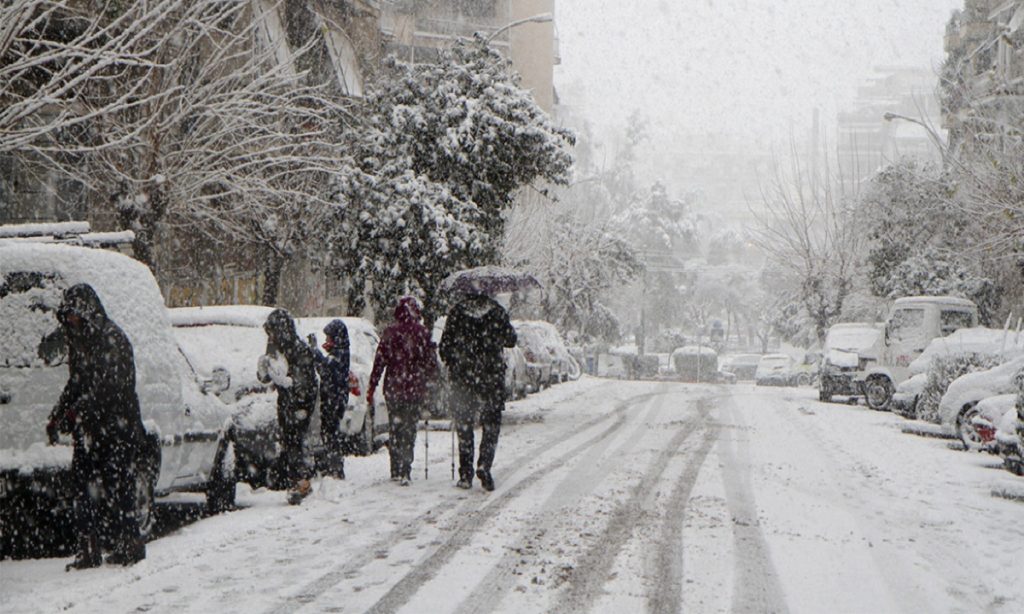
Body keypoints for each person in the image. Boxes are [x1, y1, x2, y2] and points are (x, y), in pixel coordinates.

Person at [46, 283, 148, 569]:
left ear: (88, 312)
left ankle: (130, 543)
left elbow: (112, 387)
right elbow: (77, 381)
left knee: (119, 485)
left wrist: (78, 410)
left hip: (118, 424)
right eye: (68, 316)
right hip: (89, 427)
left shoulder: (112, 339)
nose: (71, 321)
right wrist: (59, 412)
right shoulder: (80, 341)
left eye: (75, 315)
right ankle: (88, 549)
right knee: (83, 486)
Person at [439, 292, 516, 491]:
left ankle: (465, 473)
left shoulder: (457, 312)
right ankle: (484, 464)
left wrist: (455, 360)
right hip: (491, 376)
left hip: (463, 378)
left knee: (464, 425)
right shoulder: (497, 312)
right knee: (491, 424)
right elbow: (511, 339)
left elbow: (444, 347)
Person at [366, 297, 438, 486]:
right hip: (414, 388)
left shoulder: (390, 333)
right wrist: (431, 382)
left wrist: (372, 385)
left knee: (395, 427)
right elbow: (431, 363)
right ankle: (406, 466)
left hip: (394, 388)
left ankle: (395, 466)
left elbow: (379, 361)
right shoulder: (422, 333)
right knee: (409, 428)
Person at [258, 308, 317, 505]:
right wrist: (265, 372)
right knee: (289, 441)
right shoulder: (278, 350)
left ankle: (300, 482)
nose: (271, 337)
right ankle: (296, 480)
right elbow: (270, 375)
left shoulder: (299, 350)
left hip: (299, 404)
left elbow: (304, 381)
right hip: (286, 403)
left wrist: (289, 384)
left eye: (273, 332)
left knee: (294, 442)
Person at [309, 319, 350, 479]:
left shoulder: (340, 354)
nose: (327, 342)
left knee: (332, 433)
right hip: (332, 397)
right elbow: (324, 370)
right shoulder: (337, 352)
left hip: (335, 398)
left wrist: (316, 352)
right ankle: (331, 465)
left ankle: (335, 467)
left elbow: (327, 368)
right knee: (328, 432)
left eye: (329, 339)